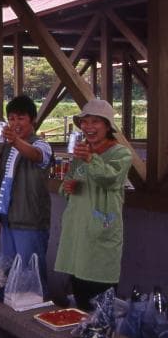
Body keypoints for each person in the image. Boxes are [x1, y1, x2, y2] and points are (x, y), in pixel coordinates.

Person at [54, 99, 132, 311]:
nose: (88, 127)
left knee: (101, 303)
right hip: (77, 234)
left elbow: (110, 179)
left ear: (108, 126)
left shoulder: (121, 154)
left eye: (95, 121)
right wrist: (67, 187)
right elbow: (67, 183)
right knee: (79, 296)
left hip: (100, 233)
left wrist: (90, 159)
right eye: (85, 122)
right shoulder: (81, 154)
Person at [0, 96, 54, 298]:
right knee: (10, 273)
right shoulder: (8, 148)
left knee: (31, 275)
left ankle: (35, 314)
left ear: (32, 120)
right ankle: (10, 314)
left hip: (30, 222)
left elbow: (37, 156)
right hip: (8, 220)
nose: (15, 123)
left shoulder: (41, 145)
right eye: (11, 118)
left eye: (21, 118)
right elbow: (2, 182)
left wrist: (16, 141)